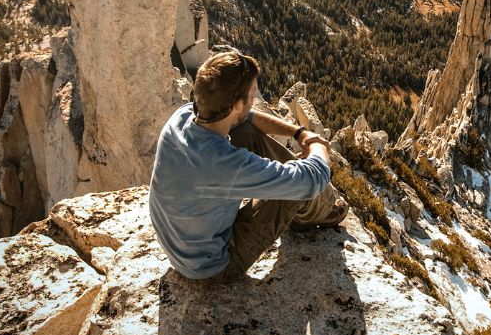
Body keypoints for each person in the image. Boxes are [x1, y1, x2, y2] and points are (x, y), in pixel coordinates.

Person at [148, 49, 349, 283]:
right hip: (214, 267)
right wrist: (317, 144)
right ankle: (328, 213)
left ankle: (305, 202)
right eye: (252, 95)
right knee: (294, 189)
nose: (254, 100)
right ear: (235, 104)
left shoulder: (182, 117)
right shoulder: (224, 164)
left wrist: (298, 132)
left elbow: (247, 118)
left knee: (245, 130)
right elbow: (312, 178)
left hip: (183, 245)